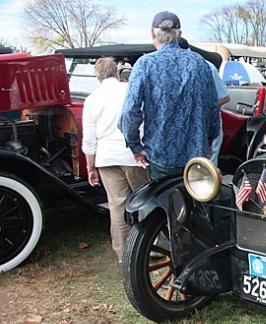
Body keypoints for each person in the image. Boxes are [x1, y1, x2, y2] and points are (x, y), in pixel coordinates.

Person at [119, 11, 220, 181]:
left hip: (160, 155)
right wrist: (208, 142)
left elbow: (130, 111)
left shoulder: (145, 64)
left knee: (163, 198)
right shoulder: (200, 63)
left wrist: (135, 147)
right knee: (196, 197)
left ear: (152, 33)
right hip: (197, 157)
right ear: (179, 34)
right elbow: (213, 109)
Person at [81, 57, 148, 263]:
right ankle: (150, 246)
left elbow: (89, 138)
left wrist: (90, 166)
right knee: (145, 200)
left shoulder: (91, 99)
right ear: (117, 72)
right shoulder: (128, 91)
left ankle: (123, 255)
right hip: (132, 154)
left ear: (97, 76)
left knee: (117, 206)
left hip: (106, 157)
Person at [179, 37, 229, 166]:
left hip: (206, 125)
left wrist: (199, 107)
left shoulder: (206, 67)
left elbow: (224, 97)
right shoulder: (168, 69)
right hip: (182, 127)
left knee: (206, 167)